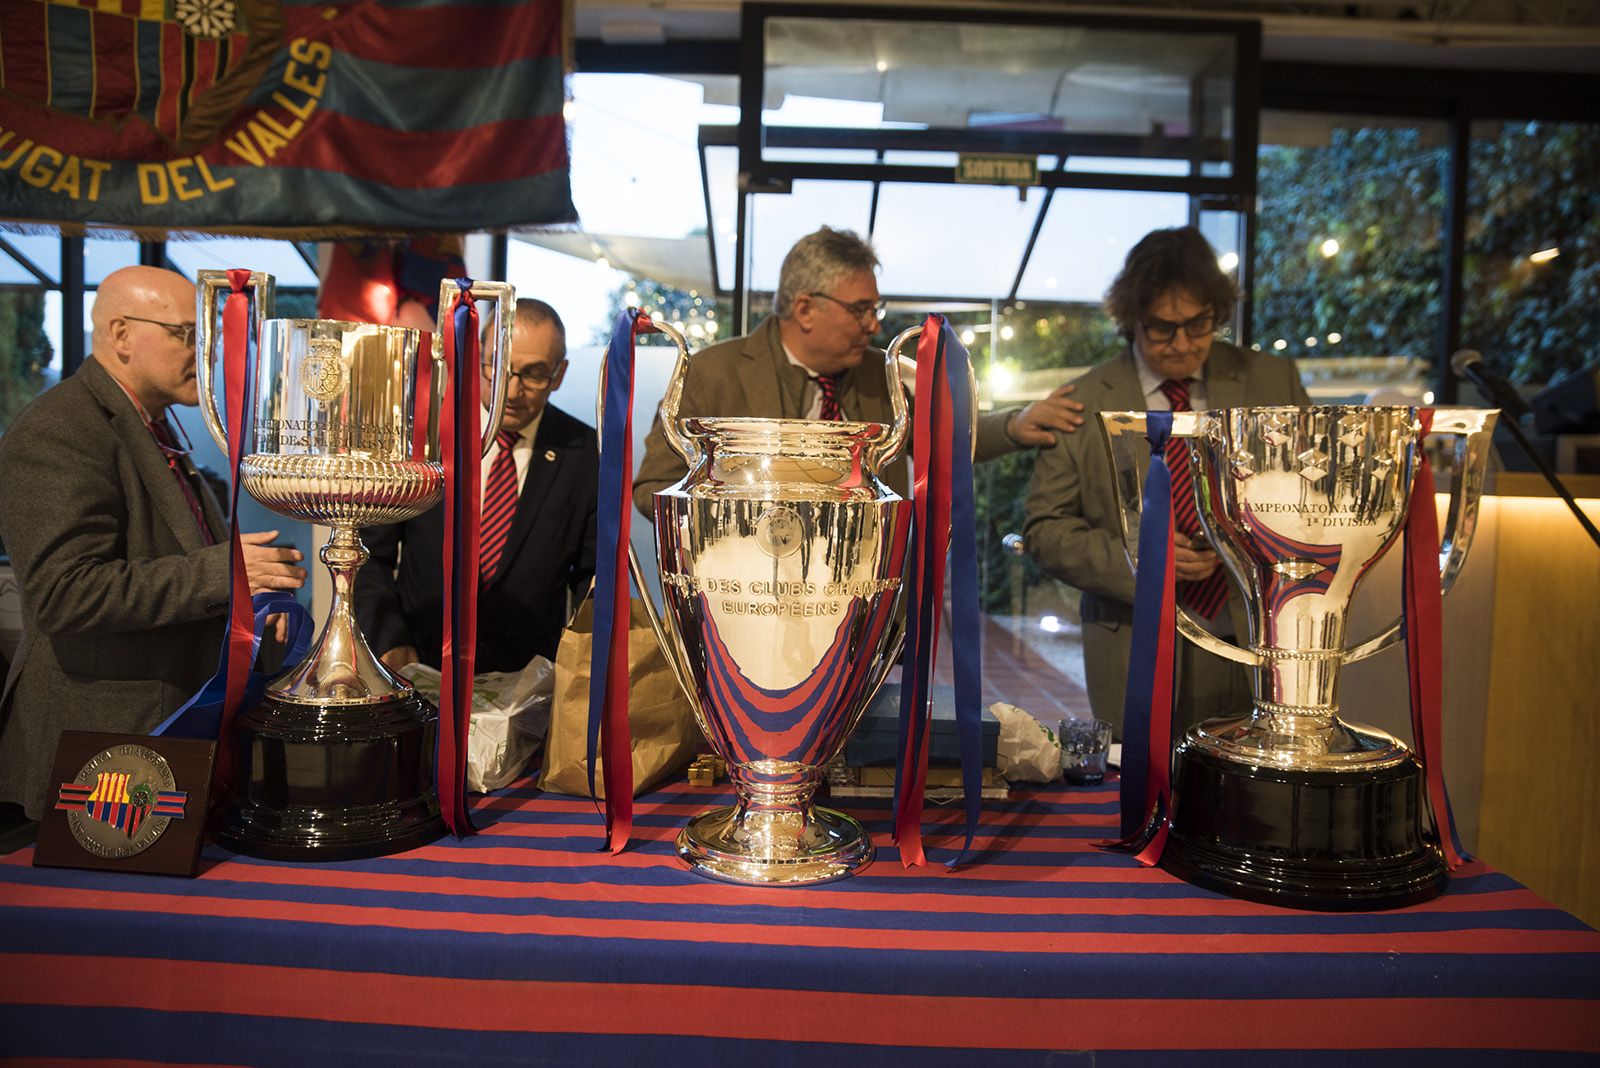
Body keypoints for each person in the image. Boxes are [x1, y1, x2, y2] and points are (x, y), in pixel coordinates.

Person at [0, 266, 307, 821]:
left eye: (207, 336)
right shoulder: (61, 428)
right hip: (103, 746)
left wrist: (252, 603)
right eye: (187, 335)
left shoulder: (151, 424)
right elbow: (64, 594)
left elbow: (179, 554)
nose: (206, 354)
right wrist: (223, 575)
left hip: (165, 735)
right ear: (121, 334)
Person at [1023, 226, 1312, 735]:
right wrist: (1144, 556)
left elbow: (1311, 493)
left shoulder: (1271, 380)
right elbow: (1044, 531)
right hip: (1133, 637)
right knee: (1141, 779)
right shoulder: (1084, 400)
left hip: (1255, 631)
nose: (1182, 344)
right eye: (1161, 328)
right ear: (1131, 319)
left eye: (1198, 324)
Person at [632, 226, 1086, 512]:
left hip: (867, 606)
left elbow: (945, 439)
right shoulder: (711, 373)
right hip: (747, 601)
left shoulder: (883, 374)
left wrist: (1016, 426)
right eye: (860, 309)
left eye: (876, 308)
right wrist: (739, 521)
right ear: (805, 309)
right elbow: (653, 486)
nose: (874, 324)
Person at [355, 298, 598, 674]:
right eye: (497, 369)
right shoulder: (427, 435)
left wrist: (580, 668)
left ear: (559, 374)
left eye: (534, 375)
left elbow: (592, 579)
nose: (512, 391)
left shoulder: (584, 452)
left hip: (529, 678)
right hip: (418, 663)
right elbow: (369, 553)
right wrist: (390, 639)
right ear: (477, 357)